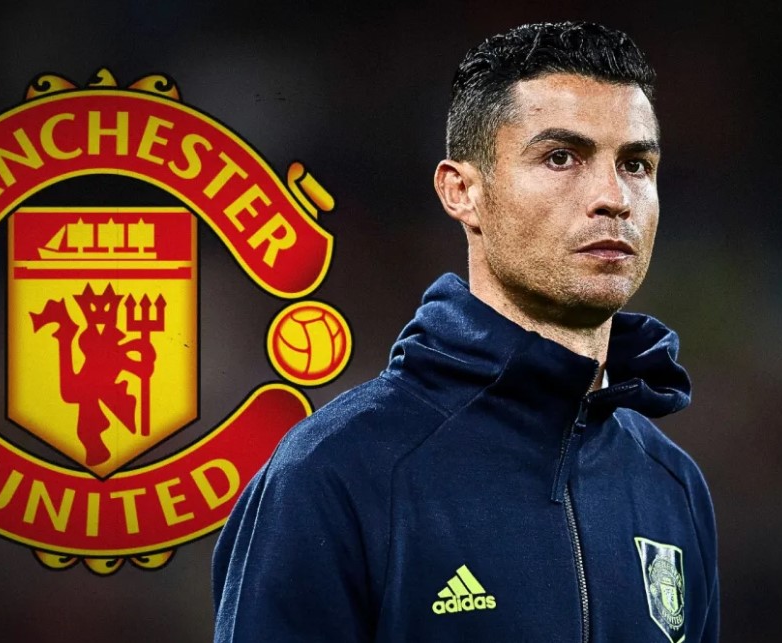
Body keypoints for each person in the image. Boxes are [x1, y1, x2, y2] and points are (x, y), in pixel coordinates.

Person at [211, 20, 719, 643]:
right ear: (462, 192)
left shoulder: (673, 485)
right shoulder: (335, 473)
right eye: (561, 157)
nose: (614, 197)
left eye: (636, 164)